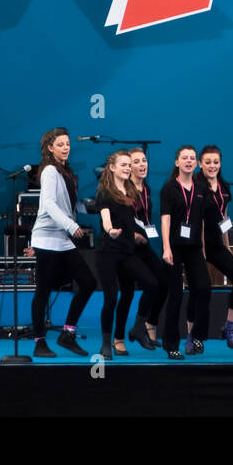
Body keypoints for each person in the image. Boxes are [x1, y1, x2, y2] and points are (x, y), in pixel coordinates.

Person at [28, 127, 98, 358]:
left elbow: (66, 204)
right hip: (47, 237)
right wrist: (71, 226)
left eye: (67, 143)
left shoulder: (65, 171)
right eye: (60, 144)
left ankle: (67, 334)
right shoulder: (49, 170)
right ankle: (39, 343)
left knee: (87, 283)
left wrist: (89, 208)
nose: (66, 147)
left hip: (62, 238)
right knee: (43, 291)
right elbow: (48, 203)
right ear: (50, 148)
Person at [94, 150, 159, 359]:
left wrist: (136, 235)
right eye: (124, 164)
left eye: (129, 165)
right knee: (111, 298)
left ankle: (138, 328)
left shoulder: (131, 191)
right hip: (108, 252)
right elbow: (105, 217)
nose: (128, 168)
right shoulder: (105, 192)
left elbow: (128, 219)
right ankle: (107, 344)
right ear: (112, 167)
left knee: (151, 285)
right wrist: (110, 230)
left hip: (127, 250)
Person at [159, 145, 211, 360]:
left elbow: (203, 221)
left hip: (194, 248)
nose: (189, 161)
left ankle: (198, 335)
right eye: (184, 158)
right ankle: (171, 344)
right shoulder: (169, 187)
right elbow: (165, 219)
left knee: (204, 289)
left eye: (192, 158)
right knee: (176, 296)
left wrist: (204, 250)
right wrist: (166, 248)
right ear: (177, 162)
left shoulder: (201, 188)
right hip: (175, 247)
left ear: (196, 163)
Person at [195, 145, 233, 351]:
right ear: (200, 164)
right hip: (198, 246)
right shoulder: (197, 186)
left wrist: (227, 246)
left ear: (220, 163)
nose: (212, 166)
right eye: (208, 162)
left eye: (215, 162)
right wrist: (202, 251)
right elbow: (200, 222)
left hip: (217, 245)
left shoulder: (224, 187)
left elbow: (224, 217)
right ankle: (194, 336)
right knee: (202, 289)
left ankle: (230, 325)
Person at [116, 147, 168, 350]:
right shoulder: (123, 189)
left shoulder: (145, 189)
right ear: (129, 167)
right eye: (136, 162)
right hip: (127, 247)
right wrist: (131, 234)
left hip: (143, 245)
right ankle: (118, 339)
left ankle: (146, 325)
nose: (141, 165)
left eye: (144, 160)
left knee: (163, 282)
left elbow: (144, 219)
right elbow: (114, 219)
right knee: (128, 293)